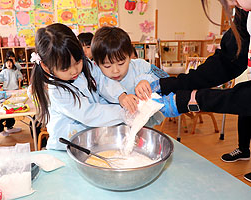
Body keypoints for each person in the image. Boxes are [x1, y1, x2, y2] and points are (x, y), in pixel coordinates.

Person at [150, 1, 251, 181]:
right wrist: (173, 84)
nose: (230, 2)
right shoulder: (244, 11)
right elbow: (228, 61)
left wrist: (193, 99)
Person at [30, 23, 139, 150]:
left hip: (89, 139)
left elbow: (102, 80)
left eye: (77, 62)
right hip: (65, 145)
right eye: (65, 68)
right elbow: (89, 114)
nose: (74, 71)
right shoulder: (58, 92)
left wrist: (120, 96)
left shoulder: (86, 64)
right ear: (46, 67)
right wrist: (123, 113)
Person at [91, 26, 174, 127]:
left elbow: (165, 79)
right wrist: (121, 97)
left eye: (121, 63)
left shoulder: (140, 66)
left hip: (144, 127)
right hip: (111, 130)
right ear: (96, 63)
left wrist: (146, 80)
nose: (115, 70)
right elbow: (103, 89)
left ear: (130, 56)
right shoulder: (96, 73)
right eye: (107, 66)